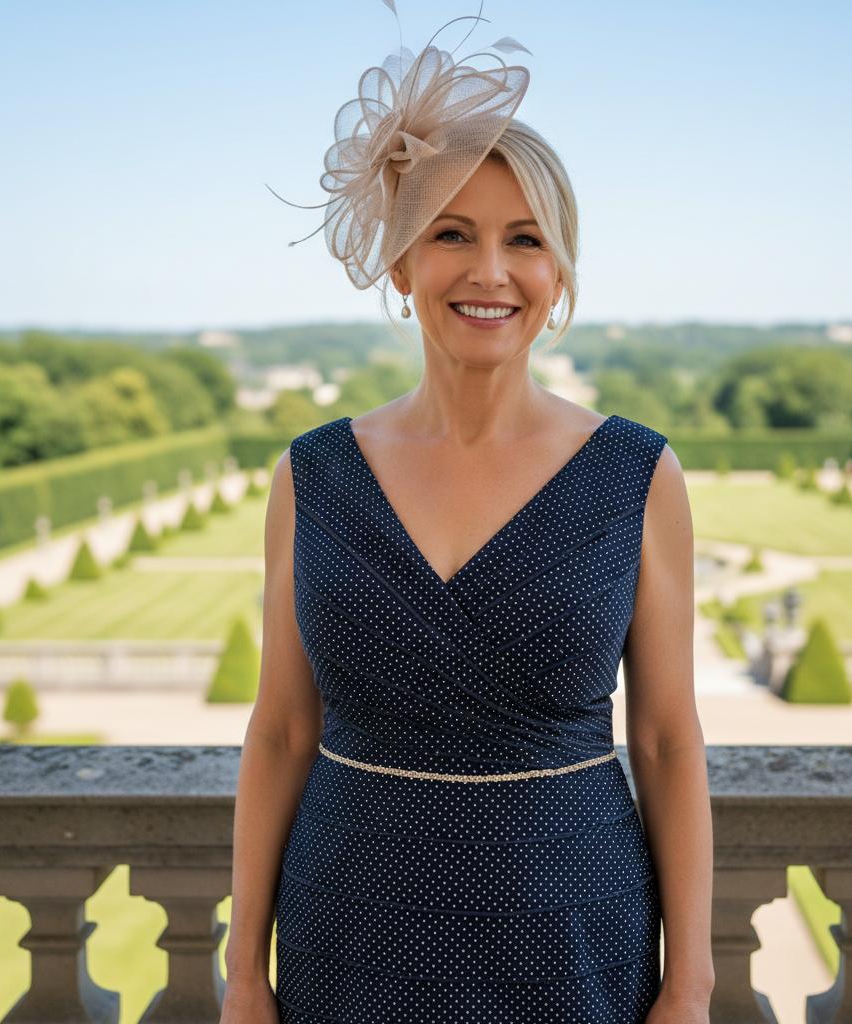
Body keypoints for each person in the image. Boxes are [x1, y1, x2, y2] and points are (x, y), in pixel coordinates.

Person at [220, 3, 714, 1022]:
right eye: (452, 234)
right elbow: (278, 732)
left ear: (558, 274)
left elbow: (667, 739)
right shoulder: (310, 474)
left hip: (574, 938)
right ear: (401, 266)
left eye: (524, 240)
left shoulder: (637, 473)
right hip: (345, 933)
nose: (491, 270)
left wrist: (692, 980)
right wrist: (241, 972)